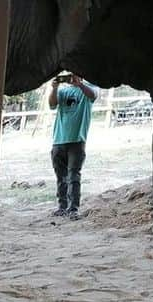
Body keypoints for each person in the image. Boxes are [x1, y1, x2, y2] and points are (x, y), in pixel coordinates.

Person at [49, 73, 98, 220]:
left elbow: (93, 95)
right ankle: (62, 206)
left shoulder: (89, 88)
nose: (70, 78)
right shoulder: (62, 91)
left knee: (73, 176)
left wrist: (80, 85)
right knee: (60, 176)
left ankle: (73, 208)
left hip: (77, 140)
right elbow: (52, 104)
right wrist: (54, 88)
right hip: (59, 140)